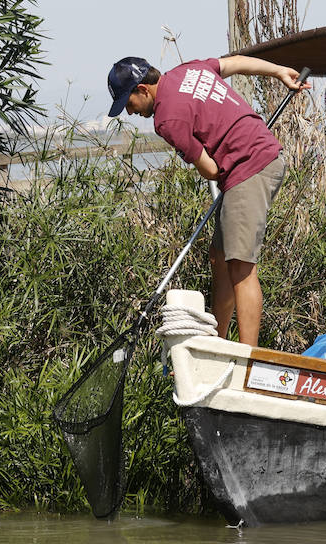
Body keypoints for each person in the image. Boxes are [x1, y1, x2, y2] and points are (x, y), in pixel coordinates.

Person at [107, 55, 309, 346]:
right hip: (261, 158)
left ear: (142, 89)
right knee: (220, 258)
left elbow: (211, 170)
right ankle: (219, 342)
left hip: (249, 168)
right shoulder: (187, 70)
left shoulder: (167, 120)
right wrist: (279, 71)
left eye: (128, 103)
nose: (129, 111)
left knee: (240, 266)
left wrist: (199, 155)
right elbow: (235, 62)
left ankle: (246, 360)